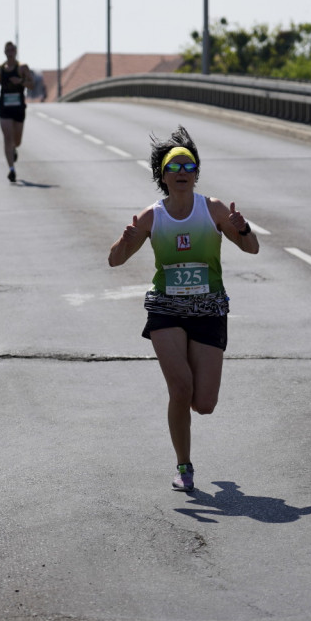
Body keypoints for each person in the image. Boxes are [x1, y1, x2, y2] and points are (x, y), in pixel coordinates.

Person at [108, 126, 259, 492]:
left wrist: (242, 229)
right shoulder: (152, 216)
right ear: (163, 176)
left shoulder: (214, 209)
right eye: (174, 167)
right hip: (166, 308)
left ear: (196, 174)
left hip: (209, 308)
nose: (182, 173)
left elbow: (252, 248)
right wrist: (125, 241)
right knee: (181, 388)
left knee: (203, 403)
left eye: (188, 166)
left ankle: (190, 426)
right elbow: (115, 261)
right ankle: (184, 466)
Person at [0, 41, 34, 182]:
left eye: (12, 50)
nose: (10, 52)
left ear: (16, 51)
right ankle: (11, 169)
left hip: (18, 108)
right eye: (7, 50)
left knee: (17, 140)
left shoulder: (22, 67)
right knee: (7, 138)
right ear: (4, 52)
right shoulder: (0, 68)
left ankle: (14, 149)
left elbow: (32, 84)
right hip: (4, 107)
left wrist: (21, 82)